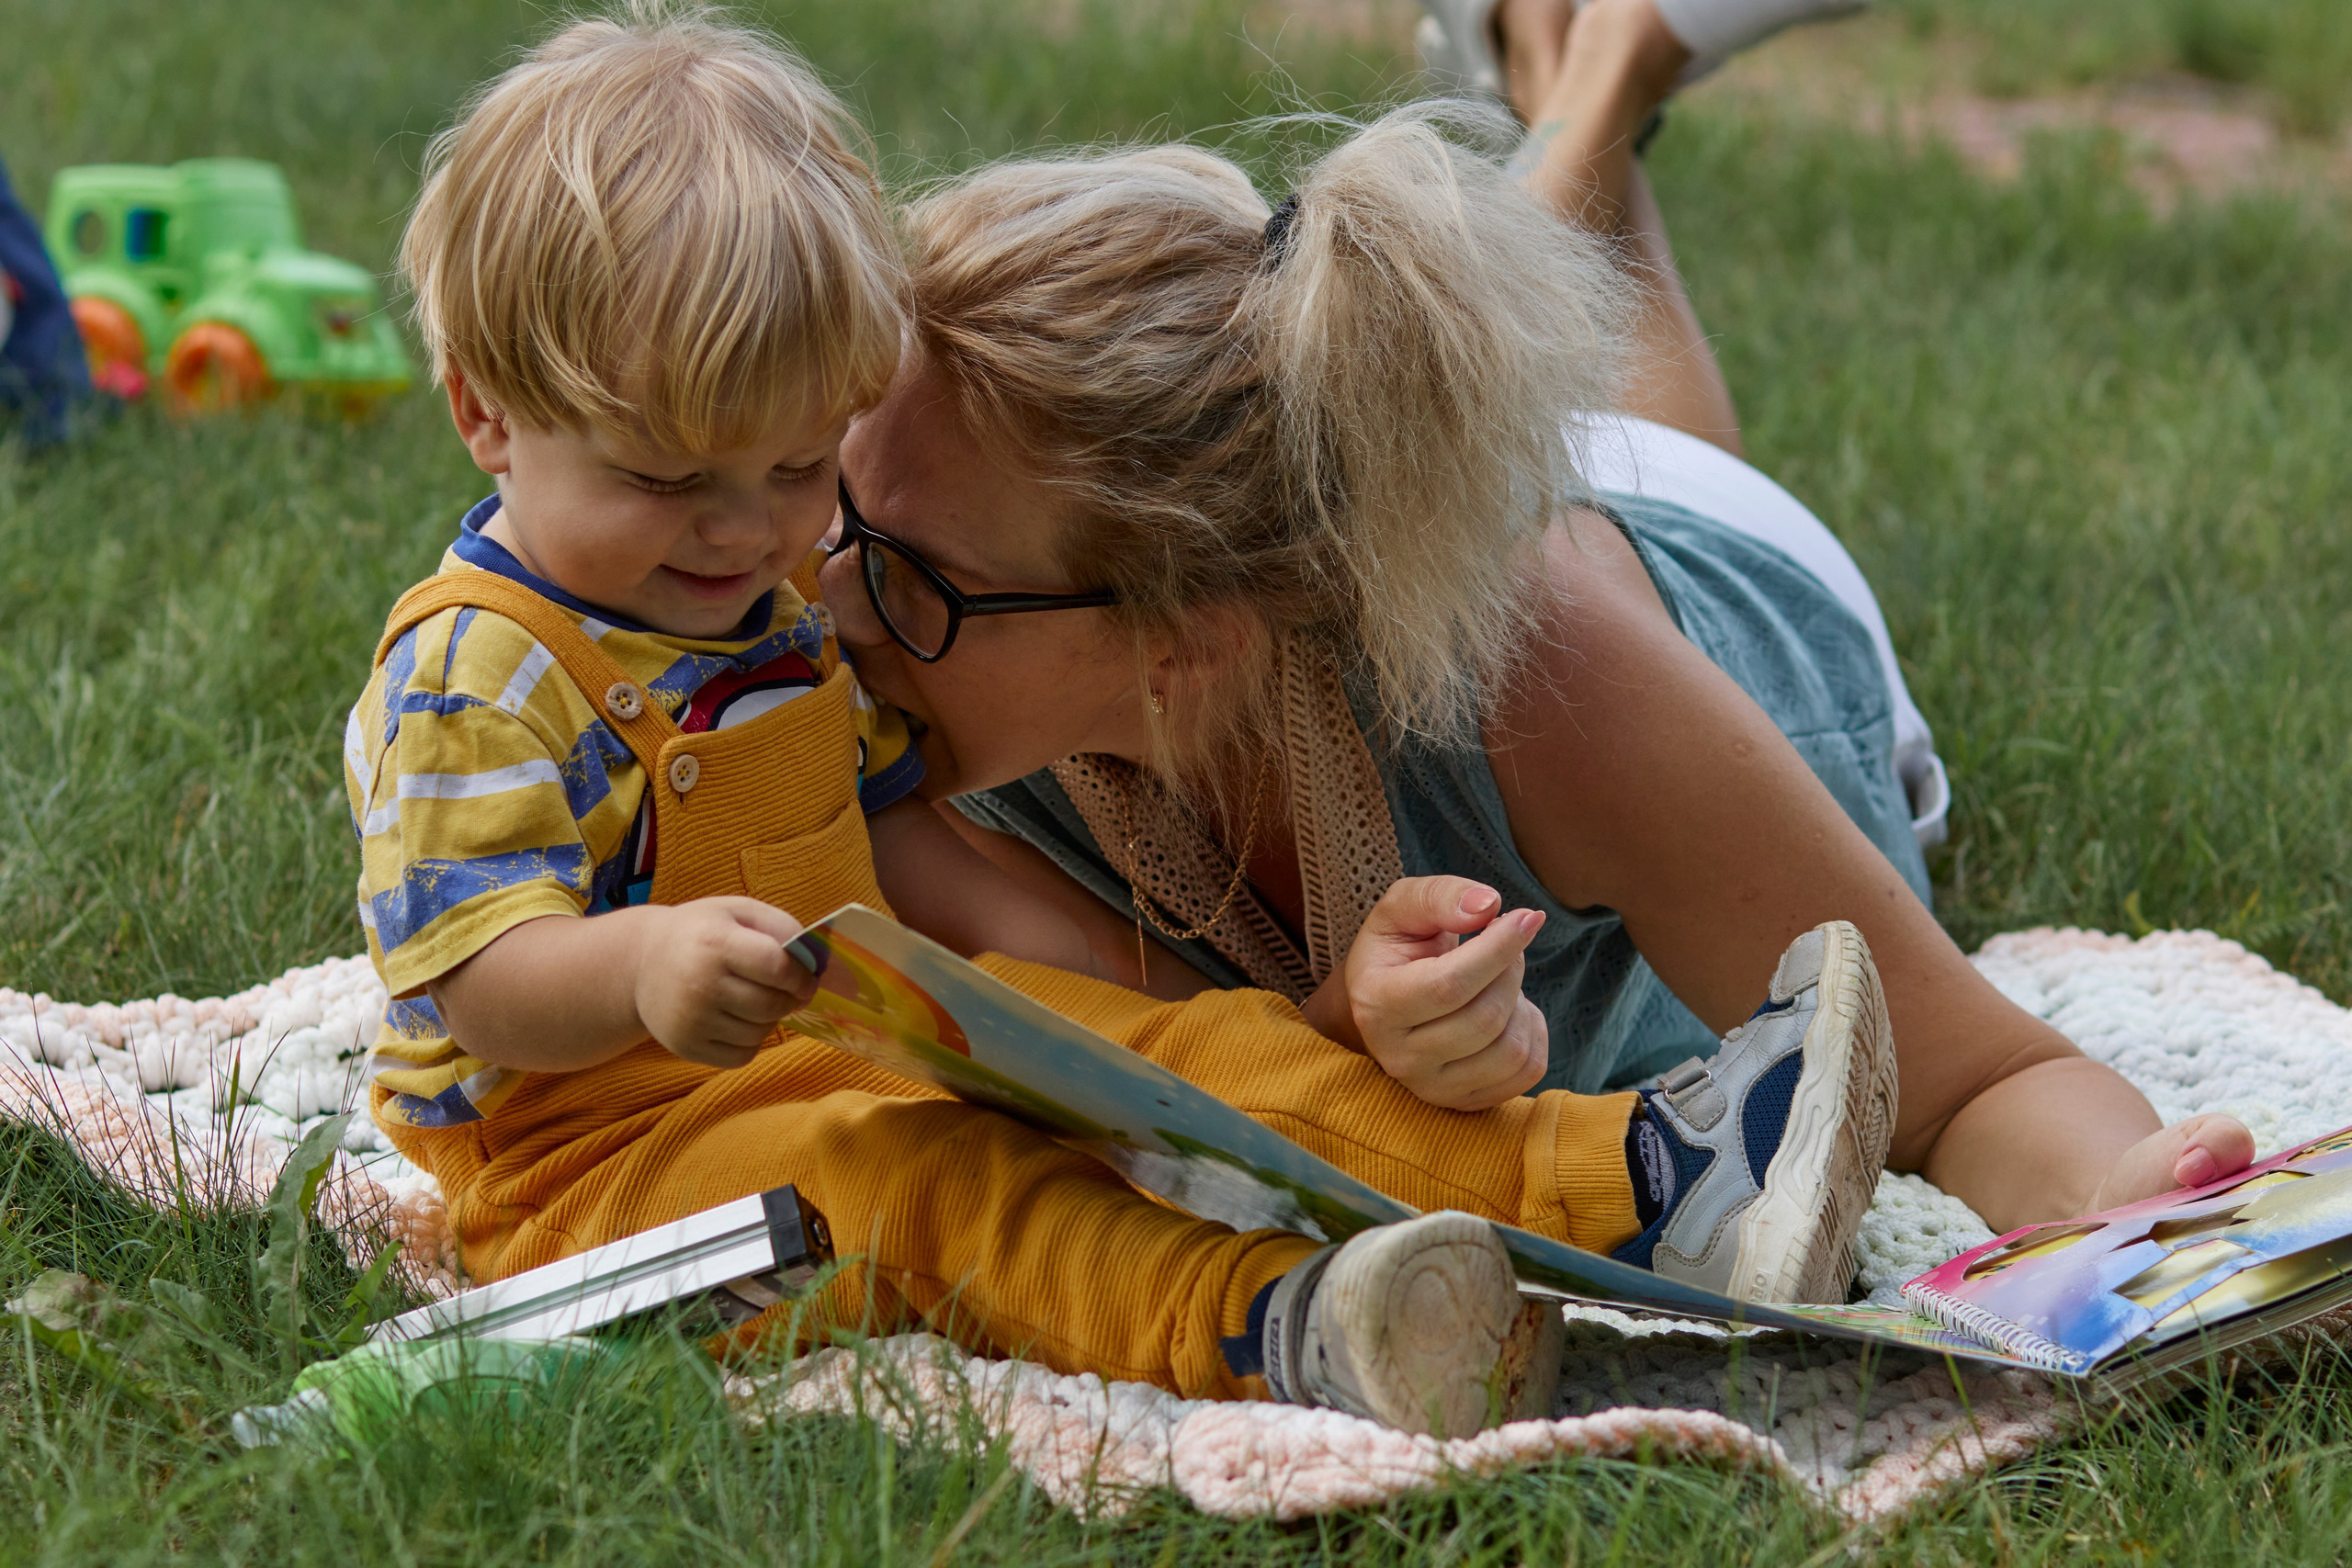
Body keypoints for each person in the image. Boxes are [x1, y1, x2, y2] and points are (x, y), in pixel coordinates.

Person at [345, 4, 1894, 1438]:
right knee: (932, 1184)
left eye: (799, 470)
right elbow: (477, 983)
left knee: (1178, 1051)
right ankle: (1288, 1327)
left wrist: (1149, 1032)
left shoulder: (759, 616)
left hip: (824, 1047)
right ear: (486, 414)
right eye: (672, 482)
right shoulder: (482, 673)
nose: (756, 539)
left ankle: (1629, 1182)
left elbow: (908, 863)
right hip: (596, 1165)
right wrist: (641, 965)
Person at [818, 0, 2257, 1238]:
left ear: (1178, 637)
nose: (822, 594)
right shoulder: (920, 647)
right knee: (1544, 413)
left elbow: (1967, 1081)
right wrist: (1337, 1042)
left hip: (1717, 583)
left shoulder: (1540, 681)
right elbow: (1164, 1062)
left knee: (1599, 460)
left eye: (902, 575)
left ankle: (1602, 74)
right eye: (827, 495)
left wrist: (2127, 1187)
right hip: (1513, 499)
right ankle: (1578, 63)